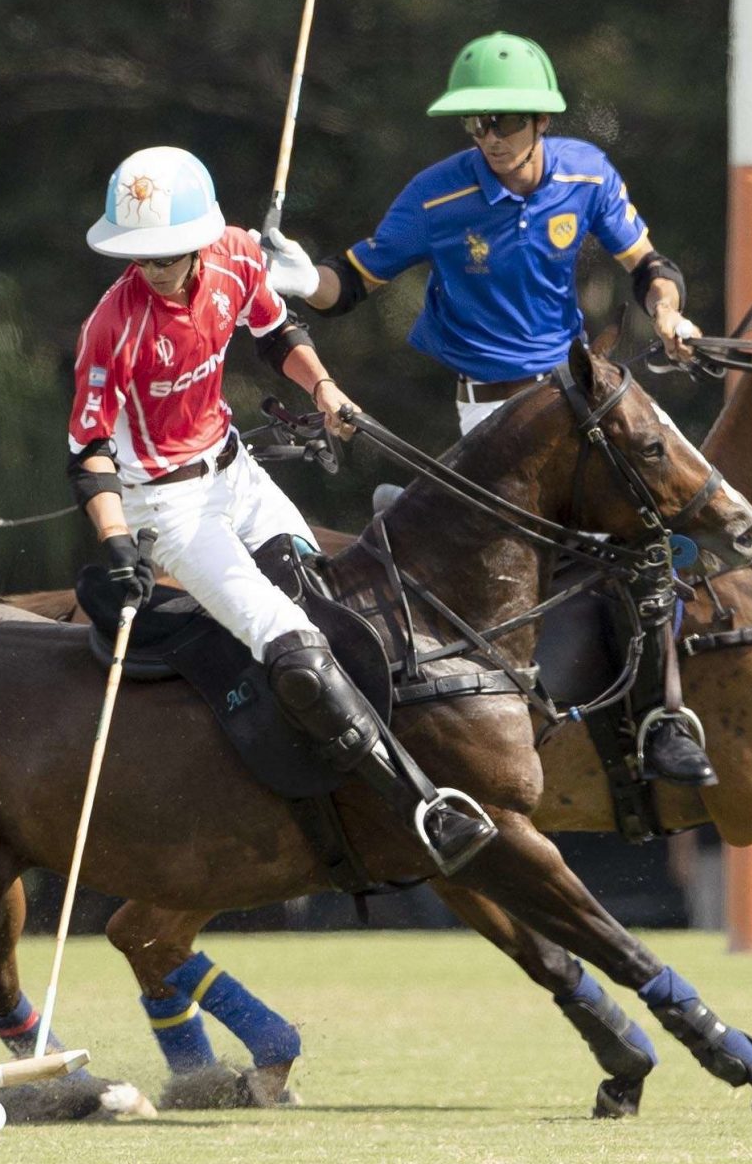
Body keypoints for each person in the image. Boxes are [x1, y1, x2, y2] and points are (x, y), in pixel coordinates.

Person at [257, 31, 713, 785]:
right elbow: (352, 284)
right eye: (476, 124)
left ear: (541, 121)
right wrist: (303, 280)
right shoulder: (437, 195)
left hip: (576, 402)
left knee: (650, 538)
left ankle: (664, 716)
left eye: (503, 121)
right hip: (490, 420)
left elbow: (649, 266)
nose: (489, 138)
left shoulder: (586, 174)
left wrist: (667, 313)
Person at [69, 146, 495, 863]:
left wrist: (325, 389)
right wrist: (116, 542)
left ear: (201, 238)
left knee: (326, 596)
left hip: (235, 472)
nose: (154, 268)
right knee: (291, 644)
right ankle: (419, 809)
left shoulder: (237, 257)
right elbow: (88, 448)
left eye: (168, 252)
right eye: (140, 255)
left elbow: (275, 332)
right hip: (166, 507)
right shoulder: (113, 325)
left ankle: (327, 764)